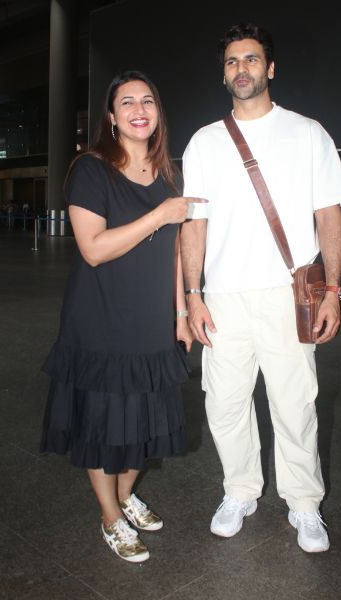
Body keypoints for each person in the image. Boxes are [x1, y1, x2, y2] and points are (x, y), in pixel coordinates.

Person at [180, 23, 341, 553]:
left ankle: (304, 504)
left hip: (287, 294)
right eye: (232, 61)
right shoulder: (205, 142)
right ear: (223, 74)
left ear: (270, 68)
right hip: (223, 296)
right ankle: (240, 491)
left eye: (251, 59)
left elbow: (329, 215)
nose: (242, 69)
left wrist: (332, 290)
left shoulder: (307, 133)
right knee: (224, 405)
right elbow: (194, 225)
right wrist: (192, 295)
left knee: (295, 405)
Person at [40, 70, 204, 563]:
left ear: (158, 114)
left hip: (152, 319)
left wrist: (180, 312)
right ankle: (110, 515)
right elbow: (92, 249)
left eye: (147, 101)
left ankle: (127, 494)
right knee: (104, 422)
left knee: (147, 420)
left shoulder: (168, 175)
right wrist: (158, 215)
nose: (138, 109)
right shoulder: (91, 170)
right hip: (101, 318)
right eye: (127, 102)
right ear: (111, 116)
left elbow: (172, 252)